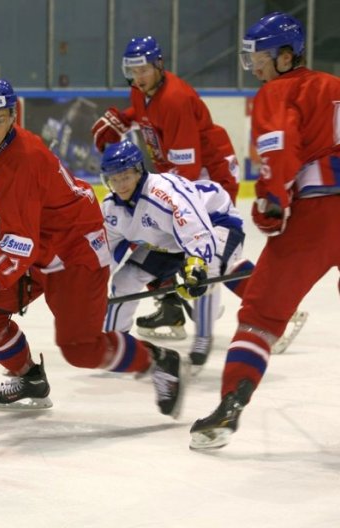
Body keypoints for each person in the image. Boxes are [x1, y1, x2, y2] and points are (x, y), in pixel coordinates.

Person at [0, 78, 187, 419]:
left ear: (13, 116)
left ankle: (158, 360)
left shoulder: (22, 160)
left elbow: (20, 244)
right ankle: (28, 378)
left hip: (75, 252)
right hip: (39, 247)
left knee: (81, 350)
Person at [190, 12, 340, 450]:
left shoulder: (279, 91)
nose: (253, 66)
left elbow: (280, 145)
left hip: (316, 218)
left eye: (259, 57)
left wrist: (271, 204)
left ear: (286, 56)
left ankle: (231, 403)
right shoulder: (335, 86)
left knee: (260, 317)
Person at [91, 35, 241, 359]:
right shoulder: (142, 88)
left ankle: (265, 307)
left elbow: (185, 175)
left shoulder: (175, 99)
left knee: (211, 259)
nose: (138, 77)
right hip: (178, 172)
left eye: (144, 69)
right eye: (132, 71)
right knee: (158, 243)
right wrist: (125, 118)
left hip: (208, 175)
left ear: (159, 65)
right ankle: (171, 308)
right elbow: (145, 112)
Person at [101, 139, 254, 370]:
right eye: (114, 178)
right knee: (125, 280)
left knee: (208, 272)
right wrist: (89, 284)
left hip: (215, 221)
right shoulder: (112, 208)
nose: (120, 185)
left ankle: (203, 340)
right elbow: (106, 253)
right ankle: (115, 344)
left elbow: (195, 228)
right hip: (168, 236)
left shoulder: (163, 194)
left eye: (125, 177)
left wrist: (195, 266)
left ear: (139, 171)